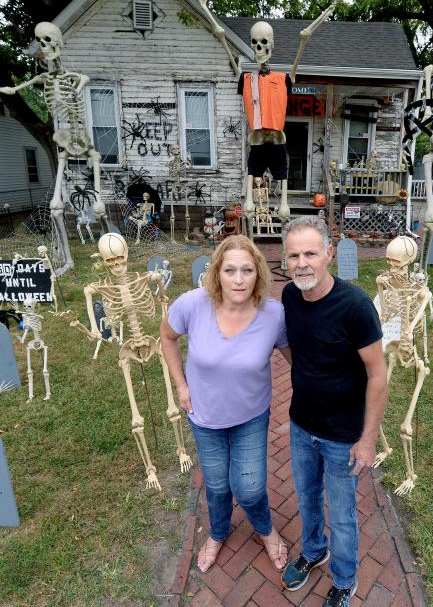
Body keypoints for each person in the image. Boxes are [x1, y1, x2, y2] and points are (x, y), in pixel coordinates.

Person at [161, 235, 291, 573]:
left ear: (258, 273)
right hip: (204, 416)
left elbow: (298, 361)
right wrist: (180, 385)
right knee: (217, 485)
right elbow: (168, 338)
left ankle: (266, 530)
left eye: (247, 270)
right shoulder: (192, 304)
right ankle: (218, 533)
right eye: (230, 270)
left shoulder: (274, 314)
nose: (238, 279)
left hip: (250, 415)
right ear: (217, 272)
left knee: (248, 488)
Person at [279, 216, 388, 607]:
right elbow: (295, 347)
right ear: (286, 261)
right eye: (294, 255)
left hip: (343, 435)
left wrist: (368, 439)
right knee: (306, 498)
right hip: (301, 423)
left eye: (310, 253)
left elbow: (378, 374)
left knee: (342, 514)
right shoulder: (291, 296)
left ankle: (344, 579)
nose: (302, 263)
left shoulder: (356, 307)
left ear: (328, 254)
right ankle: (313, 551)